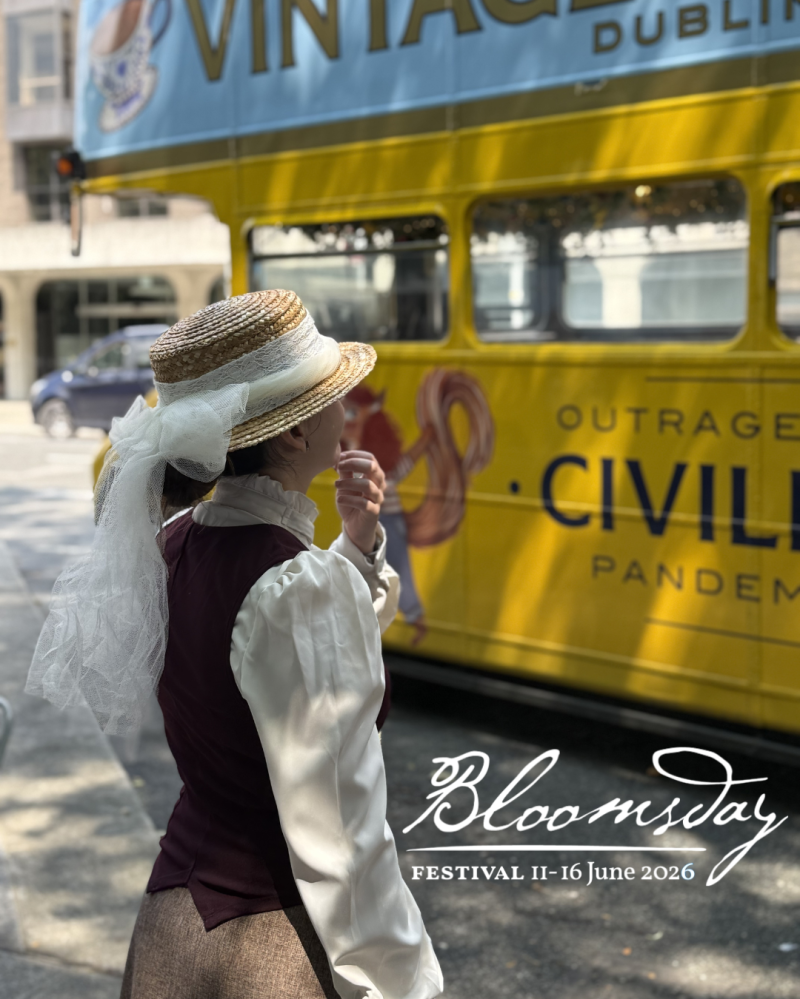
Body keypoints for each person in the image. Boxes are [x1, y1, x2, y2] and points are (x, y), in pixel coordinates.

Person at [26, 290, 444, 999]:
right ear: (290, 434)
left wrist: (359, 543)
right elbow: (343, 834)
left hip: (171, 930)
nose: (349, 408)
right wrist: (398, 983)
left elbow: (275, 654)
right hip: (268, 948)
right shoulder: (296, 586)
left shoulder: (176, 545)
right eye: (336, 395)